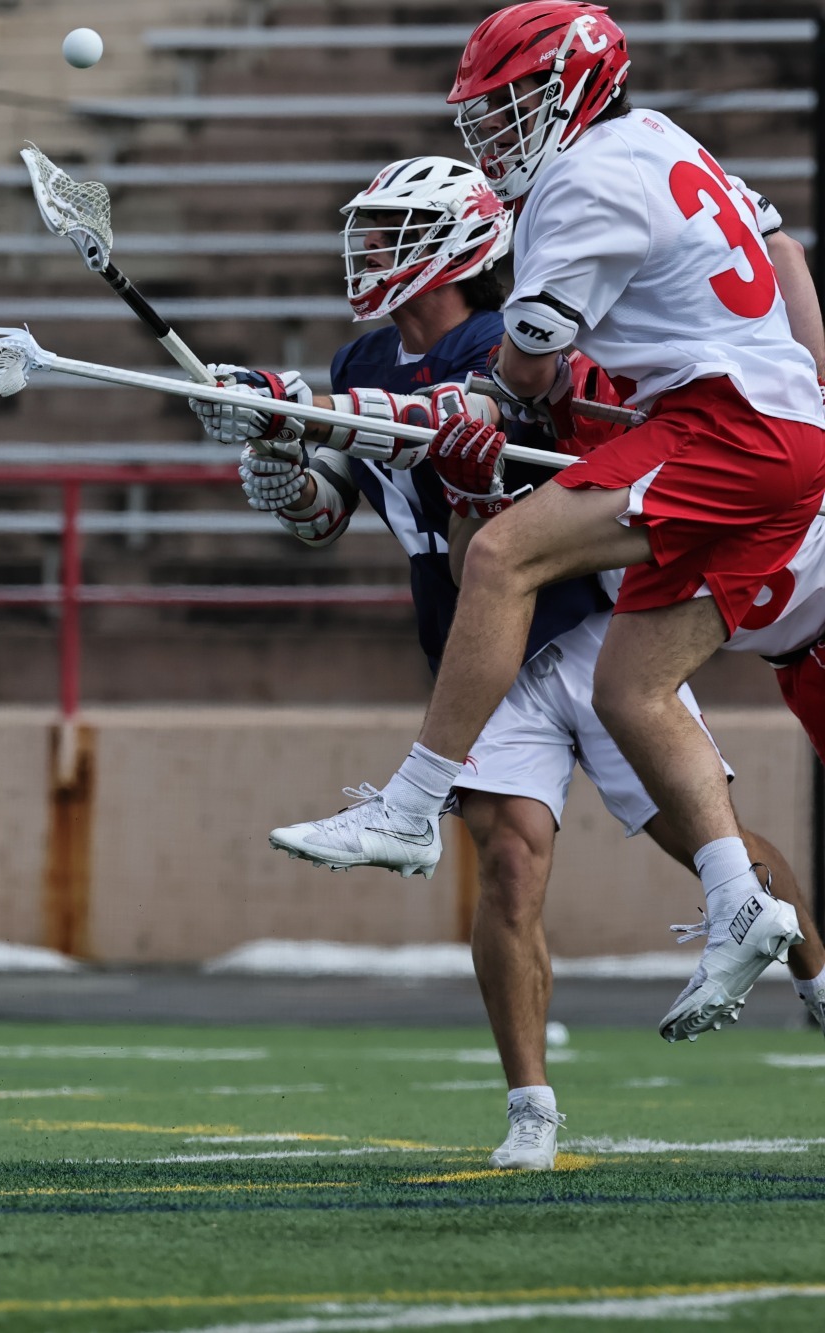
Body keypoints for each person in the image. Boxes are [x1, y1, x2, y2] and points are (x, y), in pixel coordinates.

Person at [193, 155, 825, 1171]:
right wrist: (284, 466)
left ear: (450, 247)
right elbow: (336, 506)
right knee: (510, 864)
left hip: (583, 621)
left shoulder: (504, 338)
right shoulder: (362, 359)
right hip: (475, 650)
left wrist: (293, 405)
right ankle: (528, 1105)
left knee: (711, 837)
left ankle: (811, 981)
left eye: (394, 231)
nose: (368, 249)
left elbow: (466, 417)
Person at [261, 1, 825, 1046]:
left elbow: (522, 369)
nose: (490, 129)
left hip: (723, 424)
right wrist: (806, 384)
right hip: (759, 424)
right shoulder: (659, 140)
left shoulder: (581, 179)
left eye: (509, 101)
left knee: (500, 554)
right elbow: (780, 248)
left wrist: (479, 406)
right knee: (630, 686)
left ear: (570, 82)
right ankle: (739, 905)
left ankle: (404, 806)